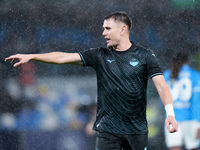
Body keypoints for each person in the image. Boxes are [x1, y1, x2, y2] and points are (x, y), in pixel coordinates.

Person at [5, 11, 178, 150]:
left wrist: (170, 114)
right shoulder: (99, 55)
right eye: (103, 28)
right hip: (107, 132)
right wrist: (33, 56)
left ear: (123, 30)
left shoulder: (145, 56)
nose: (103, 33)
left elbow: (162, 86)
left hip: (136, 131)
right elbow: (63, 57)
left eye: (108, 29)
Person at [163, 51, 200, 150]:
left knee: (174, 147)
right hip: (191, 119)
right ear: (188, 61)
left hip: (172, 119)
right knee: (193, 148)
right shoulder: (194, 75)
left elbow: (162, 99)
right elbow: (196, 101)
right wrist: (198, 123)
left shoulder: (166, 75)